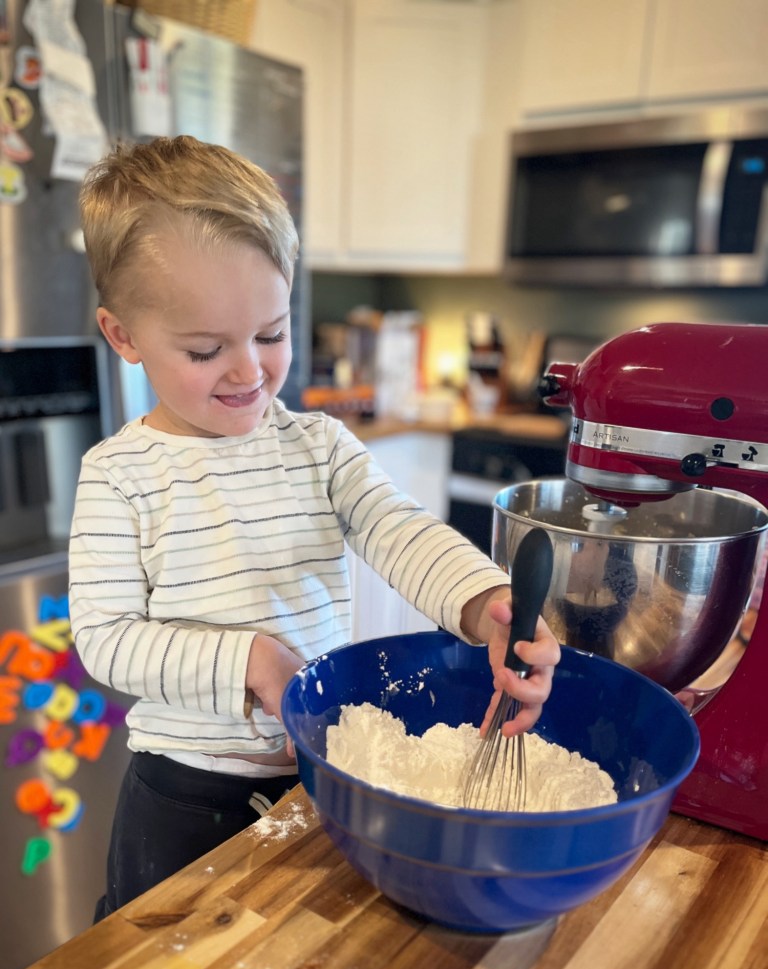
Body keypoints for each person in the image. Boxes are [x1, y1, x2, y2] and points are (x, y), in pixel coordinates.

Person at [69, 135, 560, 920]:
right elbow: (106, 639)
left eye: (270, 334)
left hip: (323, 774)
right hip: (185, 797)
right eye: (206, 349)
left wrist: (484, 606)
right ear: (122, 334)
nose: (249, 371)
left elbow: (396, 527)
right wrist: (248, 660)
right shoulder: (119, 475)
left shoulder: (318, 446)